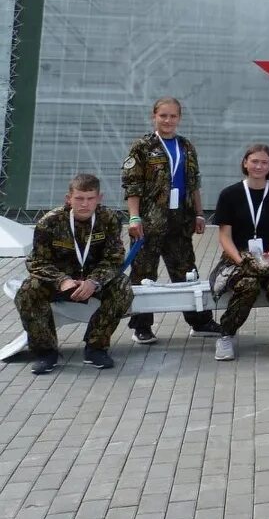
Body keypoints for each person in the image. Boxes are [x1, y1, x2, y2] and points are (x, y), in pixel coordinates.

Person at [123, 97, 222, 343]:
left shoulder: (186, 146)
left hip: (180, 222)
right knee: (144, 275)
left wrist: (200, 213)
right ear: (154, 116)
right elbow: (132, 185)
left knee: (187, 273)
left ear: (179, 118)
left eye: (173, 116)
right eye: (163, 116)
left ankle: (200, 322)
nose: (168, 121)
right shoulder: (142, 147)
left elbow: (194, 183)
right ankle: (142, 326)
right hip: (149, 223)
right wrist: (134, 217)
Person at [16, 173, 133, 374]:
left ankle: (96, 348)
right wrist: (61, 281)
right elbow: (36, 262)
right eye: (79, 198)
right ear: (68, 198)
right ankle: (46, 352)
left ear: (99, 198)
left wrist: (94, 281)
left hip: (93, 280)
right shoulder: (50, 222)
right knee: (27, 291)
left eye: (90, 198)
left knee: (123, 287)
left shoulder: (109, 219)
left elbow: (114, 258)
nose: (84, 204)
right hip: (60, 281)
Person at [209, 144, 269, 362]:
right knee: (249, 286)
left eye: (264, 162)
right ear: (245, 162)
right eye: (254, 161)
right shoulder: (229, 194)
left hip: (267, 258)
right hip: (236, 258)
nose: (259, 166)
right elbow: (225, 236)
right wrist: (239, 260)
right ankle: (226, 335)